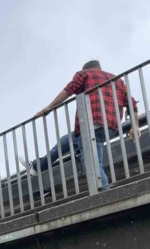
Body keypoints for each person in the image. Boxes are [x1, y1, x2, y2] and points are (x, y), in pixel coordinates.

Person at [22, 60, 140, 191]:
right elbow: (132, 104)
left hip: (91, 125)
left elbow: (68, 90)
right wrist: (135, 126)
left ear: (85, 68)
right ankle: (37, 167)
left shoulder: (84, 74)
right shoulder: (117, 81)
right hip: (110, 127)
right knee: (64, 142)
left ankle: (105, 194)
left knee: (94, 163)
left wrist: (49, 108)